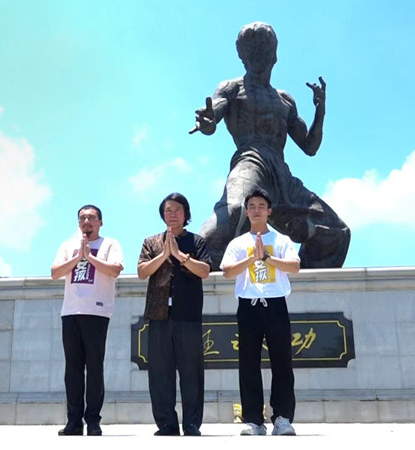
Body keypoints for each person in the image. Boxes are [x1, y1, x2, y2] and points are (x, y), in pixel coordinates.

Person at [191, 21, 350, 271]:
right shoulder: (232, 88)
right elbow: (214, 116)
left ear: (274, 56)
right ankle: (188, 265)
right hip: (250, 162)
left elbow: (310, 147)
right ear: (243, 57)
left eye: (262, 49)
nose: (257, 56)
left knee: (335, 231)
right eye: (251, 50)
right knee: (233, 210)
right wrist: (208, 121)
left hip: (281, 175)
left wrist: (321, 111)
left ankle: (301, 291)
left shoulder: (285, 99)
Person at [220, 188, 300, 436]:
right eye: (252, 206)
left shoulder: (281, 240)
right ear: (246, 211)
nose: (256, 210)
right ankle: (253, 420)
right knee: (248, 364)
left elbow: (295, 266)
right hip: (249, 306)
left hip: (275, 304)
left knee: (282, 363)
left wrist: (266, 257)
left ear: (269, 211)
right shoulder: (238, 243)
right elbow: (227, 271)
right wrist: (251, 258)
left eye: (261, 206)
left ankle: (283, 418)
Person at [137, 193, 212, 436]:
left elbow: (204, 271)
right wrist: (164, 254)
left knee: (191, 372)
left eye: (177, 210)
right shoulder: (151, 242)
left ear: (186, 214)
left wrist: (180, 256)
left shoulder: (196, 242)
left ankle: (191, 424)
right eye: (168, 210)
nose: (172, 214)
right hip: (158, 316)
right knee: (160, 373)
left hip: (188, 315)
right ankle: (167, 424)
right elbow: (141, 272)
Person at [51, 204, 124, 436]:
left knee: (94, 368)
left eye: (92, 218)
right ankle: (73, 421)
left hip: (97, 313)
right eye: (82, 218)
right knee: (72, 370)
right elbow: (55, 272)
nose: (87, 222)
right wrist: (79, 257)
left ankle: (93, 420)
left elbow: (114, 270)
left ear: (100, 222)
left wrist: (89, 257)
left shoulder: (109, 244)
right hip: (71, 312)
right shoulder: (67, 245)